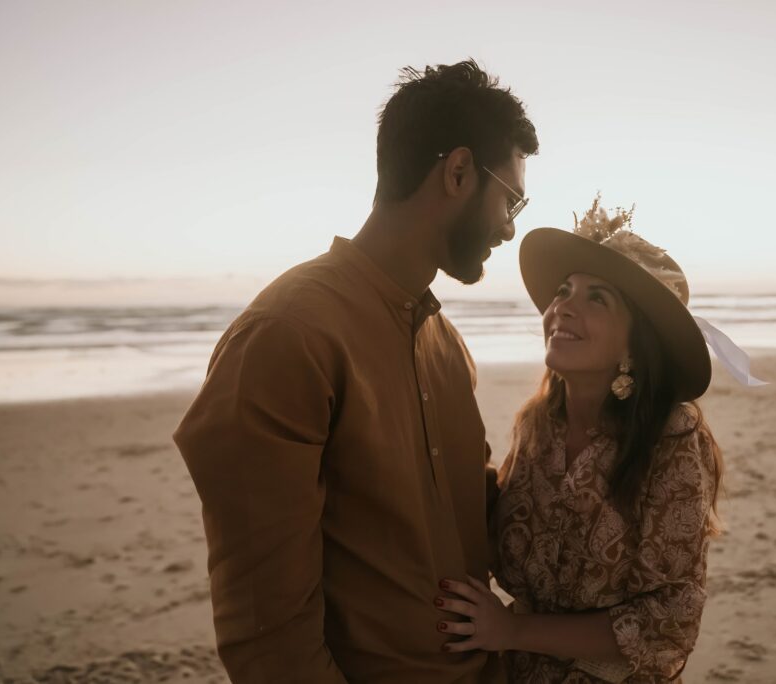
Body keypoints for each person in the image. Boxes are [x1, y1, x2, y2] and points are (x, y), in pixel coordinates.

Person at [173, 59, 538, 683]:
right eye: (511, 199)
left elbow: (484, 524)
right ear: (456, 173)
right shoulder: (288, 336)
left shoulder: (444, 345)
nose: (510, 227)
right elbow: (268, 634)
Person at [434, 198, 764, 682]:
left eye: (596, 298)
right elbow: (502, 535)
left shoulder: (671, 439)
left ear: (635, 342)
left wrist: (512, 631)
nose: (562, 306)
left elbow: (670, 619)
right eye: (563, 290)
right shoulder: (537, 425)